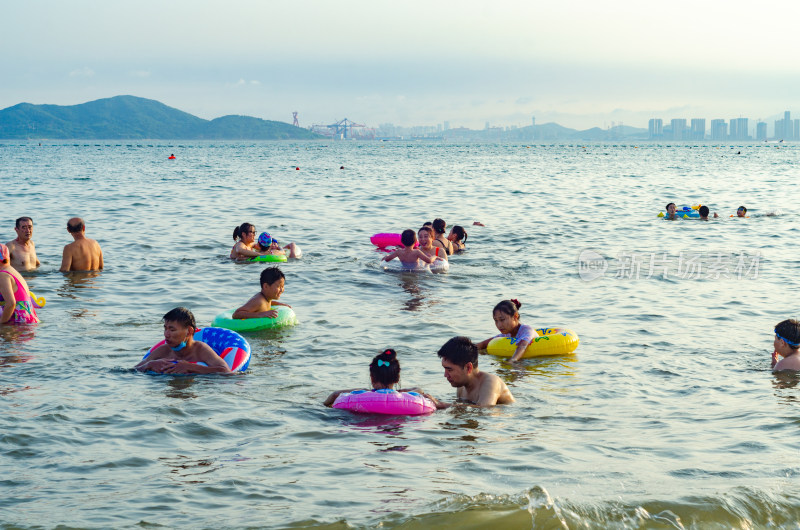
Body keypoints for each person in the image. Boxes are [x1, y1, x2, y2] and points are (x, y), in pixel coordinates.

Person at [323, 348, 442, 407]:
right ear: (397, 379)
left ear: (372, 378)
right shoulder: (404, 396)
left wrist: (323, 405)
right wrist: (399, 391)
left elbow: (335, 395)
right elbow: (419, 390)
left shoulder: (363, 393)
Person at [134, 307, 231, 374]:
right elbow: (132, 370)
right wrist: (149, 364)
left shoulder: (200, 350)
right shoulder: (163, 350)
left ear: (189, 331)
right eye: (165, 329)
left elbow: (226, 371)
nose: (166, 334)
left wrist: (190, 367)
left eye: (172, 330)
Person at [437, 336, 514, 407]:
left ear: (468, 367)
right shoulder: (461, 386)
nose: (445, 375)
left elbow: (485, 410)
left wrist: (443, 405)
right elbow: (461, 410)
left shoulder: (491, 382)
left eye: (450, 370)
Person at [0, 244, 39, 324]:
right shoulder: (11, 270)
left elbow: (11, 303)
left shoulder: (3, 275)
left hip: (18, 322)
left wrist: (1, 323)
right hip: (27, 320)